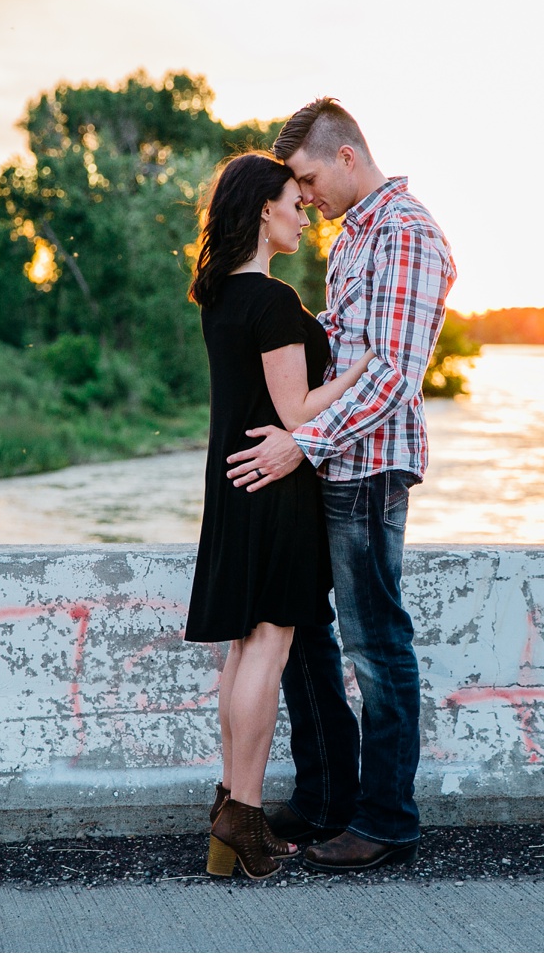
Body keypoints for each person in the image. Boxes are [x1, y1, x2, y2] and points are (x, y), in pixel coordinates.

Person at [226, 98, 456, 872]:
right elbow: (340, 346)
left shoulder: (409, 234)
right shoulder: (356, 235)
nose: (306, 195)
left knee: (374, 641)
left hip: (368, 467)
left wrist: (301, 441)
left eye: (309, 177)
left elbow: (392, 373)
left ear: (348, 157)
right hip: (326, 460)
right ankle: (326, 797)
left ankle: (387, 819)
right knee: (302, 632)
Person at [184, 151, 376, 879]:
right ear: (265, 209)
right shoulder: (272, 300)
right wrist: (358, 371)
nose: (306, 214)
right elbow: (296, 411)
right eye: (296, 203)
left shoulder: (223, 296)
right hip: (274, 487)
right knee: (268, 644)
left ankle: (229, 809)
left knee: (243, 648)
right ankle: (248, 817)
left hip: (232, 484)